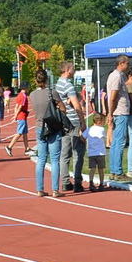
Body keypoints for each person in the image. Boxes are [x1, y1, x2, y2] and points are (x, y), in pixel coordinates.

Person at [31, 68, 66, 197]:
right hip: (52, 127)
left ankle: (39, 189)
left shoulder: (32, 94)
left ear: (36, 80)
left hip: (40, 126)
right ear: (47, 80)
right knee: (55, 159)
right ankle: (55, 190)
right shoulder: (52, 92)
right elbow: (63, 108)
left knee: (41, 159)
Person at [57, 61, 86, 193]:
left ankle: (65, 182)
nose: (74, 70)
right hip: (73, 121)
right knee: (78, 152)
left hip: (63, 122)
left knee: (65, 153)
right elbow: (76, 103)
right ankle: (78, 182)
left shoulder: (58, 84)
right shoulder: (67, 84)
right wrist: (82, 121)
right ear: (68, 70)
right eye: (73, 68)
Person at [107, 54, 132, 182]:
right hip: (120, 112)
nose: (128, 66)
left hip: (118, 112)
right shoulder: (116, 76)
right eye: (127, 63)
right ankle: (118, 171)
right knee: (120, 142)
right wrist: (110, 114)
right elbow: (112, 97)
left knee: (116, 142)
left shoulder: (117, 75)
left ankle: (113, 170)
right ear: (121, 64)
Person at [5, 84, 32, 157]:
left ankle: (27, 148)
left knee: (25, 133)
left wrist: (15, 114)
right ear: (26, 87)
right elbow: (20, 107)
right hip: (22, 116)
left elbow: (16, 106)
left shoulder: (19, 95)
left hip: (22, 116)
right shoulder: (23, 96)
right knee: (19, 132)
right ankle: (9, 147)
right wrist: (15, 116)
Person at [84, 113, 107, 191]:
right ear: (99, 122)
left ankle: (91, 183)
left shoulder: (89, 129)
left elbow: (82, 137)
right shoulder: (102, 129)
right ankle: (101, 184)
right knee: (101, 169)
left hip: (91, 153)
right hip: (100, 153)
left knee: (92, 169)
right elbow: (105, 137)